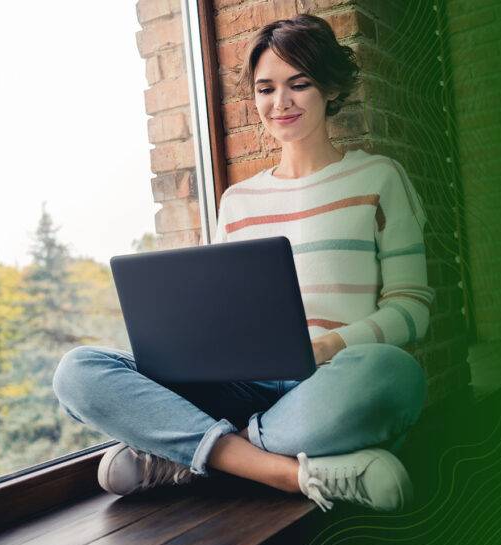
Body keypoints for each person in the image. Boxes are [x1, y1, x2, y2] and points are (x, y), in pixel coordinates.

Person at [52, 14, 434, 512]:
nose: (281, 103)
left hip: (328, 382)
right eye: (266, 88)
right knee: (77, 371)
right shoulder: (237, 202)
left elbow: (413, 308)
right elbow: (221, 316)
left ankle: (186, 457)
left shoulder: (380, 178)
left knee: (394, 373)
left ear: (330, 89)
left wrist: (327, 345)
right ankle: (286, 470)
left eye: (299, 84)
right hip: (241, 386)